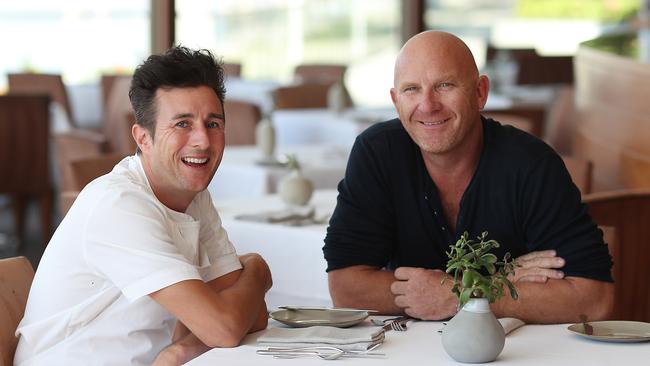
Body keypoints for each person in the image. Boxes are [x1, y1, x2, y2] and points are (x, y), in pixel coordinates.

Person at [322, 31, 614, 324]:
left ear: (480, 92)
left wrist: (464, 295)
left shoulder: (531, 163)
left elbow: (594, 298)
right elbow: (346, 289)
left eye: (445, 85)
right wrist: (499, 283)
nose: (428, 104)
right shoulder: (378, 153)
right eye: (411, 89)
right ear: (396, 101)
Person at [14, 46, 272, 365]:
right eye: (182, 124)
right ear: (143, 138)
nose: (202, 141)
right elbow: (224, 327)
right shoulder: (120, 204)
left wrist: (182, 350)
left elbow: (252, 318)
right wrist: (258, 270)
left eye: (213, 124)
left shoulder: (193, 195)